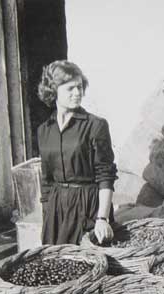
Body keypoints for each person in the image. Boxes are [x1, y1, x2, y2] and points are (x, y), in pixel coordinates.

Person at [36, 60, 116, 245]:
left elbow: (106, 176)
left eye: (79, 87)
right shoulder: (44, 130)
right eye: (70, 88)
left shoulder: (95, 125)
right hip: (57, 210)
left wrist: (102, 218)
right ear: (53, 90)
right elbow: (47, 180)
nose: (77, 92)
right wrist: (47, 219)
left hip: (87, 206)